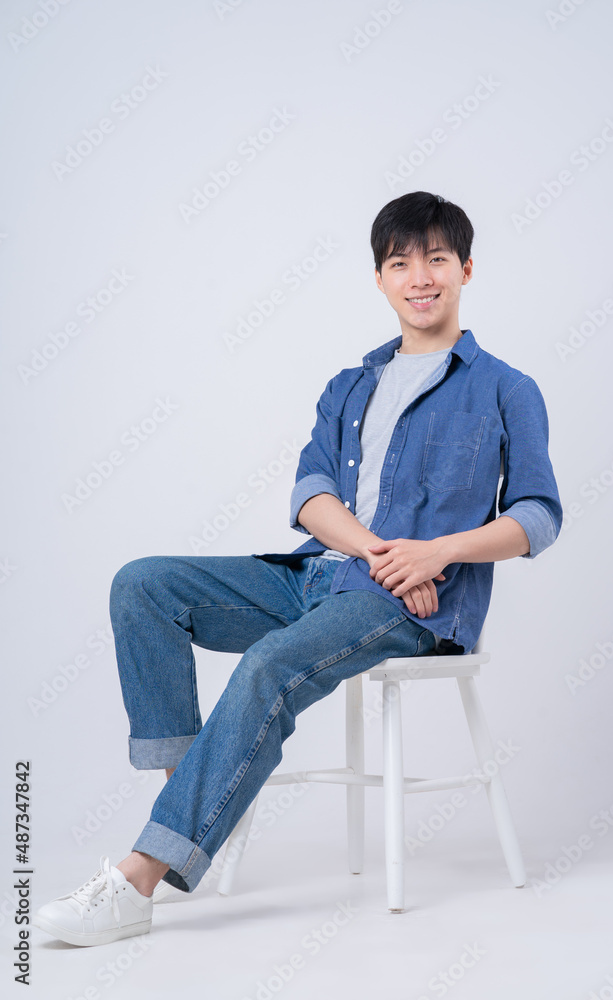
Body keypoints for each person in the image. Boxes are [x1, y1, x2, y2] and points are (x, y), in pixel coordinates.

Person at [34, 191, 562, 947]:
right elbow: (310, 496)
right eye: (399, 261)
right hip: (322, 574)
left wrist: (435, 552)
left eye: (436, 259)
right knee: (143, 583)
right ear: (379, 279)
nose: (420, 276)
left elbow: (539, 515)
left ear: (466, 270)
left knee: (267, 664)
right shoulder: (348, 386)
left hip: (416, 606)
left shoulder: (506, 388)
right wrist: (384, 553)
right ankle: (194, 796)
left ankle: (138, 880)